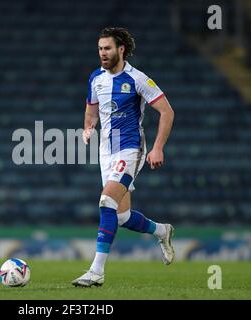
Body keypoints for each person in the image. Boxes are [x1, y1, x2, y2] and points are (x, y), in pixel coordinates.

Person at [72, 27, 176, 287]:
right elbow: (91, 111)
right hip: (105, 152)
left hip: (129, 148)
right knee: (121, 216)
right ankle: (162, 231)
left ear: (121, 49)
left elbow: (167, 111)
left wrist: (158, 147)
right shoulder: (96, 78)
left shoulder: (137, 78)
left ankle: (96, 272)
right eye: (99, 49)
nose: (102, 53)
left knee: (106, 201)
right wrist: (87, 128)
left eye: (107, 48)